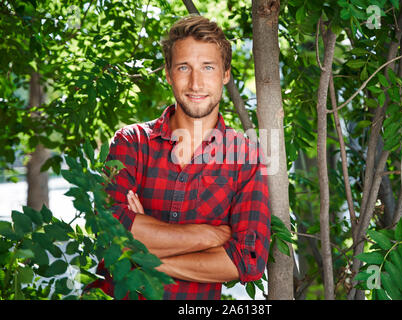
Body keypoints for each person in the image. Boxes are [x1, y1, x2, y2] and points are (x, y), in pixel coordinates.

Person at [90, 15, 271, 300]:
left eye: (208, 67)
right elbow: (111, 232)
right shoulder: (132, 142)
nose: (196, 83)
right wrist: (209, 236)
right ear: (168, 73)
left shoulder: (245, 158)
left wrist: (143, 257)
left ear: (225, 73)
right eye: (184, 67)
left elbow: (247, 259)